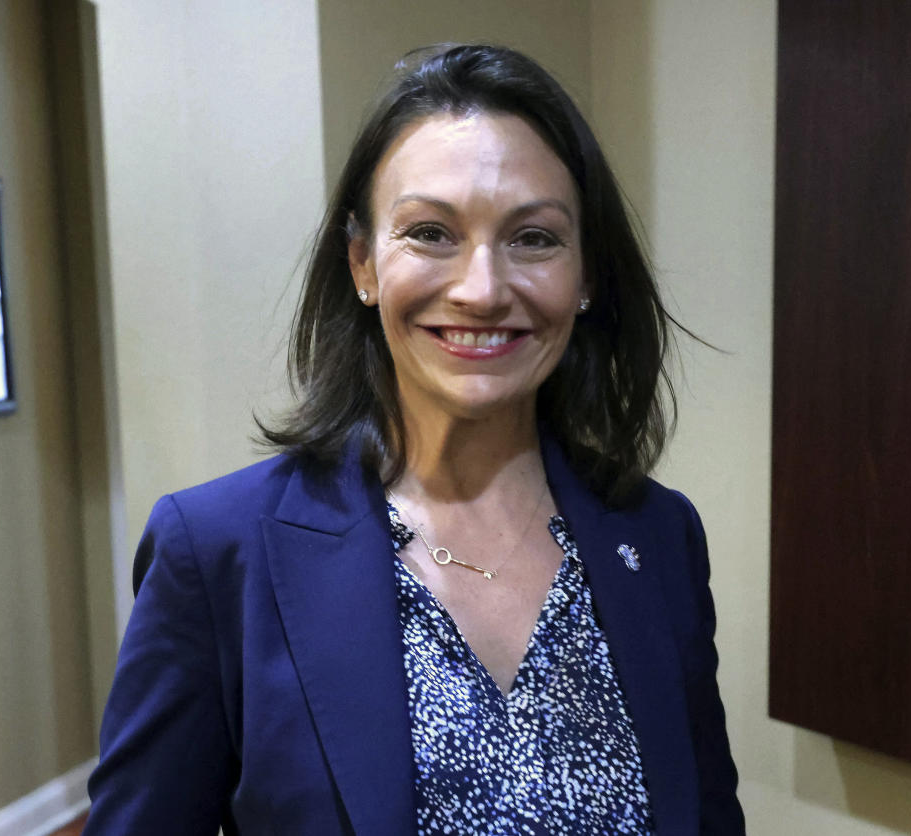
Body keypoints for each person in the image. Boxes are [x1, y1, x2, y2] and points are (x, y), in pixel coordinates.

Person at [85, 44, 744, 835]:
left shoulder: (658, 535)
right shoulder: (218, 553)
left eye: (533, 239)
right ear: (363, 263)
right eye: (431, 232)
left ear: (587, 275)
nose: (482, 289)